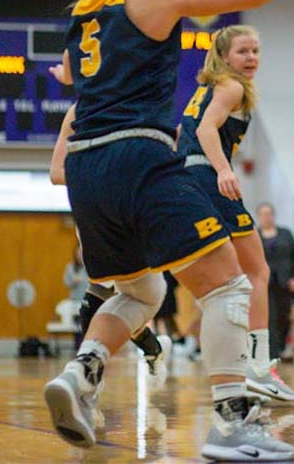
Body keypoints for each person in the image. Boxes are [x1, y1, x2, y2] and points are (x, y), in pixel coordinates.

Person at [42, 0, 294, 460]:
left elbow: (70, 72)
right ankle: (231, 426)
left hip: (85, 170)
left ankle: (82, 373)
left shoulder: (82, 14)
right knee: (227, 283)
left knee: (142, 290)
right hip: (136, 155)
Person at [177, 26, 294, 402]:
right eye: (243, 51)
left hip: (189, 178)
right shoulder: (232, 87)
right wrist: (224, 170)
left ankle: (241, 360)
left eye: (256, 51)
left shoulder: (207, 89)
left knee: (230, 278)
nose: (252, 58)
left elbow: (184, 130)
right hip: (207, 177)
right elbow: (208, 131)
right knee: (257, 271)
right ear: (225, 57)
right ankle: (259, 364)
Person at [50, 105, 172, 394]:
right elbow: (56, 172)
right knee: (112, 300)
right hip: (93, 208)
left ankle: (89, 383)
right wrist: (98, 178)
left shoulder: (139, 103)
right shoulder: (79, 111)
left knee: (119, 299)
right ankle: (149, 353)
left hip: (129, 210)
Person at [256, 203, 294, 363]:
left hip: (284, 282)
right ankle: (272, 352)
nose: (266, 217)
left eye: (269, 214)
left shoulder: (285, 234)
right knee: (270, 316)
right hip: (263, 283)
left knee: (284, 315)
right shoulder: (255, 235)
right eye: (263, 214)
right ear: (259, 217)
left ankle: (281, 346)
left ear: (273, 216)